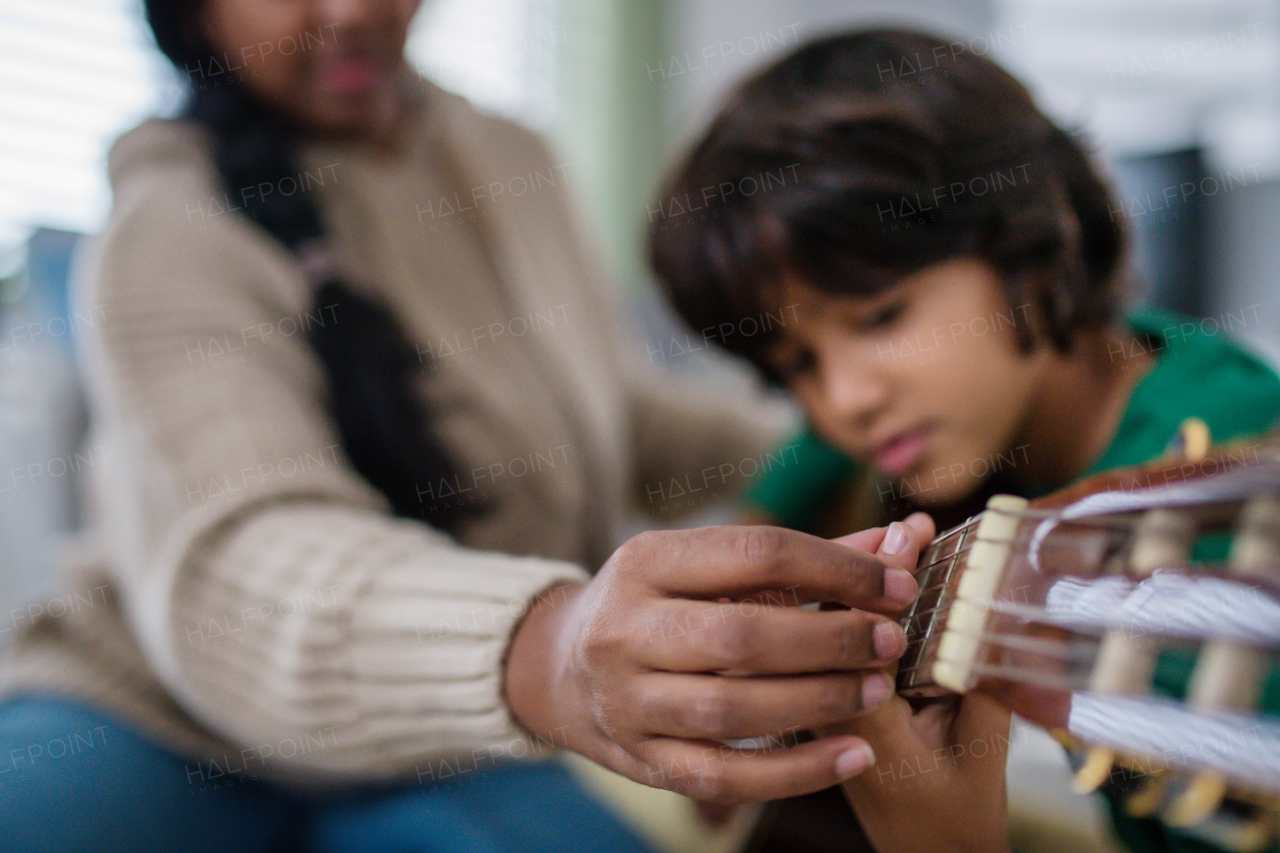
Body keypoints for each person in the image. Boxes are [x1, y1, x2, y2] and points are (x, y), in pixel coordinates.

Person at [0, 4, 936, 852]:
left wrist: (842, 427)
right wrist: (551, 650)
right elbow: (249, 558)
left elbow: (616, 419)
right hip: (160, 717)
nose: (356, 10)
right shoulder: (165, 231)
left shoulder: (511, 157)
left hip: (453, 733)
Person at [648, 28, 1280, 853]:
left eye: (880, 316)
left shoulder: (1215, 466)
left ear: (1027, 234)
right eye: (797, 362)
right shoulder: (978, 398)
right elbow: (808, 461)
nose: (845, 403)